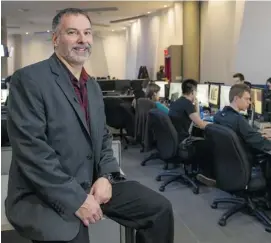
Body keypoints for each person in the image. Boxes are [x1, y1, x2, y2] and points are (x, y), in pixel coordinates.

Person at [5, 8, 174, 243]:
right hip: (45, 192)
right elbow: (33, 152)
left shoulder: (92, 86)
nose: (82, 40)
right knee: (72, 234)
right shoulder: (30, 80)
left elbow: (103, 138)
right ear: (55, 39)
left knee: (159, 210)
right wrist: (76, 199)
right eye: (73, 32)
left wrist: (106, 175)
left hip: (93, 181)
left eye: (87, 33)